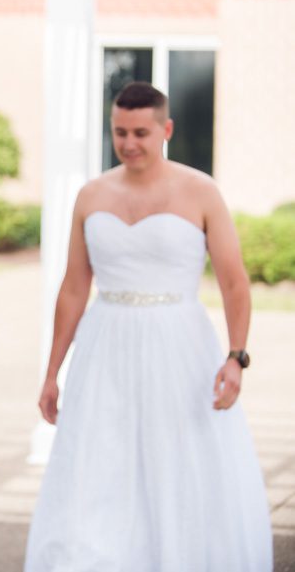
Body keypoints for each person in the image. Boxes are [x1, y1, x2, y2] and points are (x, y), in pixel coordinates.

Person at [25, 82, 272, 571]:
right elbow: (74, 288)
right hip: (105, 346)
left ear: (167, 129)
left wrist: (236, 357)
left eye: (141, 132)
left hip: (179, 344)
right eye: (120, 132)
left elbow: (234, 283)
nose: (129, 142)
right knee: (100, 460)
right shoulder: (91, 194)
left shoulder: (201, 191)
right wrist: (52, 372)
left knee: (178, 458)